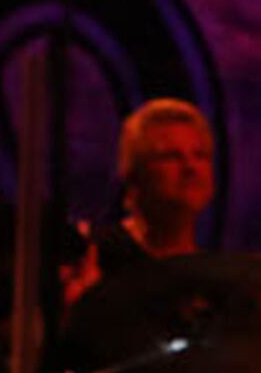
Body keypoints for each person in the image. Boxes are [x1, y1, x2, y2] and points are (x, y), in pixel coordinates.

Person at [64, 97, 213, 301]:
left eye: (200, 155)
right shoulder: (97, 257)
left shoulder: (212, 276)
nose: (190, 167)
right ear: (133, 173)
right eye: (170, 156)